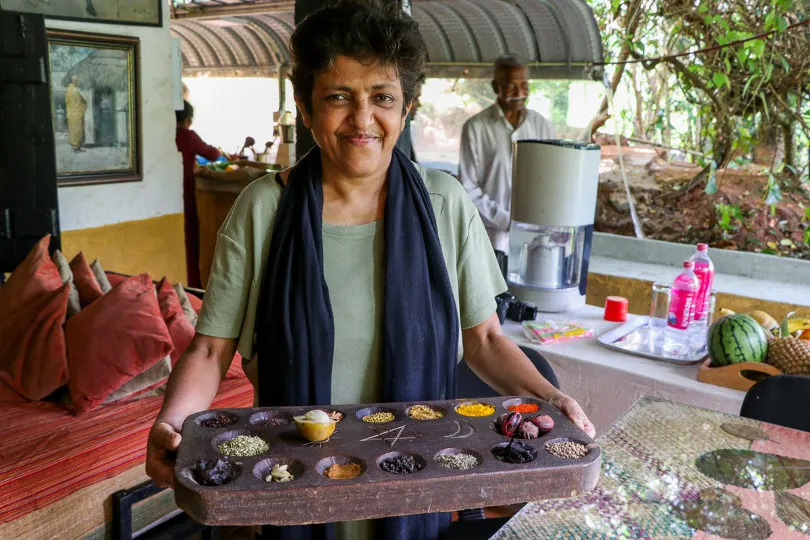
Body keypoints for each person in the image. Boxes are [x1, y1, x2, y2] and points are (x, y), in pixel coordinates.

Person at [147, 3, 593, 540]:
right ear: (307, 110)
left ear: (405, 110)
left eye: (382, 97)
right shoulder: (264, 208)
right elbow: (210, 350)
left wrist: (552, 398)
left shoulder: (444, 205)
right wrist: (171, 424)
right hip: (294, 481)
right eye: (338, 97)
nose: (362, 119)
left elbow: (485, 340)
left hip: (415, 479)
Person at [459, 54, 555, 255]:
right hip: (489, 241)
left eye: (524, 85)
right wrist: (506, 221)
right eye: (511, 86)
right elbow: (468, 187)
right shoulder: (476, 128)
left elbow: (550, 181)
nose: (520, 93)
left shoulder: (542, 126)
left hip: (534, 240)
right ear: (495, 87)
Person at [175, 100, 224, 288]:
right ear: (187, 120)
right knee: (191, 237)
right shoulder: (188, 136)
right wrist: (221, 152)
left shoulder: (166, 134)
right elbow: (212, 154)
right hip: (186, 191)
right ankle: (194, 284)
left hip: (172, 191)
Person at [65, 75, 87, 153]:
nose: (77, 82)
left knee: (73, 130)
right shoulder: (76, 90)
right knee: (78, 130)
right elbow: (83, 99)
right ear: (74, 81)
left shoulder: (67, 90)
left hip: (71, 113)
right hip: (77, 113)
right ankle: (77, 147)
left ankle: (76, 147)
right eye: (77, 81)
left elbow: (67, 102)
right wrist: (84, 105)